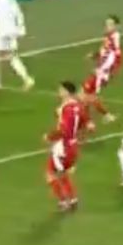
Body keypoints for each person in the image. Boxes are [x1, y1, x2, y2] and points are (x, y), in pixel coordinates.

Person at [44, 81, 87, 212]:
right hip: (73, 146)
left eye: (61, 90)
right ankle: (73, 199)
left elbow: (64, 130)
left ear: (67, 92)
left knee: (50, 173)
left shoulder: (66, 109)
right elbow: (83, 122)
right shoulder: (78, 106)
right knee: (63, 174)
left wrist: (49, 137)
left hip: (63, 147)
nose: (59, 92)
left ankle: (63, 201)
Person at [80, 15, 123, 126]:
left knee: (87, 95)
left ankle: (93, 120)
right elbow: (105, 52)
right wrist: (94, 55)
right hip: (100, 70)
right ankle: (93, 120)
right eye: (106, 24)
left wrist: (108, 71)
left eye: (110, 24)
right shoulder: (108, 37)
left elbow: (116, 56)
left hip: (102, 73)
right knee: (86, 95)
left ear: (116, 26)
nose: (107, 26)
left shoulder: (115, 37)